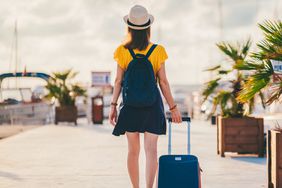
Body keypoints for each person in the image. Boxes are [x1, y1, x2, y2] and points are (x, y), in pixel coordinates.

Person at [109, 5, 182, 188]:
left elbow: (118, 81)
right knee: (151, 151)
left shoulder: (122, 51)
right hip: (152, 106)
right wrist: (173, 108)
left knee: (133, 151)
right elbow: (163, 82)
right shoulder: (158, 51)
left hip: (130, 106)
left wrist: (112, 106)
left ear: (129, 28)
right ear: (148, 27)